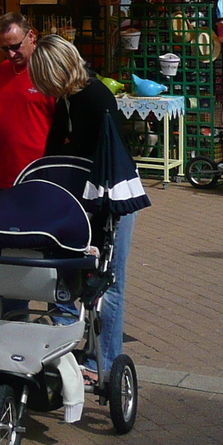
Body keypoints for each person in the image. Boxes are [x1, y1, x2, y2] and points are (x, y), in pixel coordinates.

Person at [28, 34, 140, 374]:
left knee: (109, 283)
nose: (44, 89)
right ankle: (64, 349)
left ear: (57, 72)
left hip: (112, 196)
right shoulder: (67, 98)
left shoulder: (95, 99)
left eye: (45, 80)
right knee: (69, 273)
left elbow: (105, 154)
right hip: (83, 197)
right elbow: (55, 147)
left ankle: (103, 362)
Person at [0, 12, 55, 190]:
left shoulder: (49, 71)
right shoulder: (3, 70)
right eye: (5, 48)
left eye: (15, 46)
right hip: (3, 174)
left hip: (38, 173)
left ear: (31, 36)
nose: (11, 53)